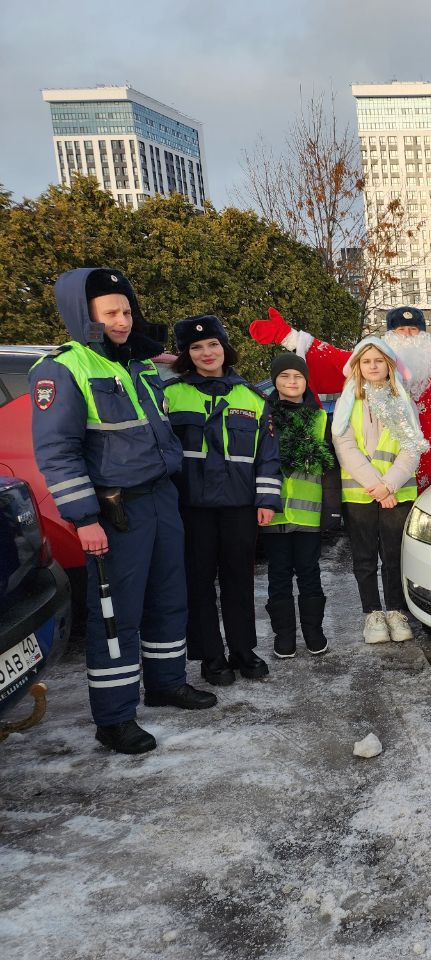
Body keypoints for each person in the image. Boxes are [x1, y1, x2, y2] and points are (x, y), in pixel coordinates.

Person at [28, 268, 216, 754]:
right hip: (115, 511)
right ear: (83, 314)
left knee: (169, 595)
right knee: (117, 614)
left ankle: (166, 682)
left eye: (127, 311)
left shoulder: (139, 364)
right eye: (110, 312)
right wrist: (84, 518)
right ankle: (114, 717)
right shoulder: (64, 369)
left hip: (160, 498)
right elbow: (58, 452)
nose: (122, 320)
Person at [249, 304, 431, 489]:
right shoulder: (369, 365)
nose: (407, 335)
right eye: (400, 330)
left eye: (414, 329)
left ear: (425, 335)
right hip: (383, 463)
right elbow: (327, 358)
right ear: (388, 336)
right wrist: (288, 336)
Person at [165, 316, 282, 686]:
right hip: (191, 507)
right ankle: (211, 657)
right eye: (196, 347)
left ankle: (243, 651)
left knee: (239, 581)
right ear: (186, 354)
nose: (206, 353)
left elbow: (268, 455)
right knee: (198, 583)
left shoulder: (250, 396)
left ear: (224, 348)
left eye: (213, 345)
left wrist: (266, 499)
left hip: (239, 506)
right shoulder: (170, 395)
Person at [332, 337, 428, 644]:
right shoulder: (348, 403)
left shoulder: (403, 401)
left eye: (378, 361)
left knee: (393, 556)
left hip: (397, 492)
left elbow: (412, 449)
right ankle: (372, 614)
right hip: (360, 492)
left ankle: (396, 612)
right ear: (357, 366)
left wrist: (389, 485)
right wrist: (376, 485)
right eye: (366, 361)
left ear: (389, 365)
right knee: (363, 557)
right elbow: (344, 446)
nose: (373, 367)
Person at [262, 353, 336, 658]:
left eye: (298, 377)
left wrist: (332, 511)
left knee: (309, 573)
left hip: (308, 514)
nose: (291, 383)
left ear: (306, 382)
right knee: (278, 575)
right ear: (275, 381)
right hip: (273, 512)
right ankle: (284, 636)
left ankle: (314, 632)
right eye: (284, 377)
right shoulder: (264, 417)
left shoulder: (319, 418)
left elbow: (331, 468)